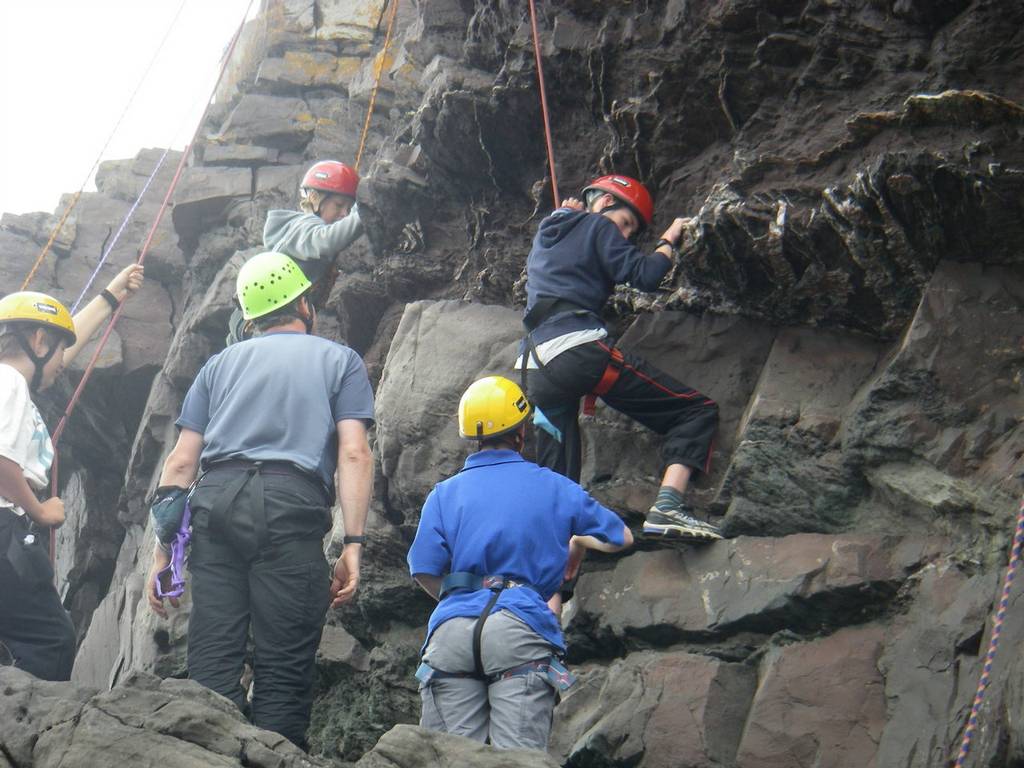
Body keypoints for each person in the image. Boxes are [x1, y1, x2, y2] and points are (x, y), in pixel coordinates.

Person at [147, 251, 374, 751]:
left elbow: (182, 463)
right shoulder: (339, 361)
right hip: (289, 503)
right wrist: (352, 544)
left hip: (217, 500)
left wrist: (165, 553)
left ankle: (206, 755)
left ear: (249, 317)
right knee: (284, 664)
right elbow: (354, 452)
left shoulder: (218, 365)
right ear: (305, 305)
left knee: (212, 652)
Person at [407, 376, 633, 750]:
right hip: (520, 629)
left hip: (452, 633)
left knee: (449, 757)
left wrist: (458, 602)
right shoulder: (553, 486)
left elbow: (424, 570)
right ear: (522, 431)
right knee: (517, 759)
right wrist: (576, 540)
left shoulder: (444, 493)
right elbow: (620, 537)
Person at [518, 174, 722, 543]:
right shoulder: (597, 224)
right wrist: (668, 240)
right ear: (605, 203)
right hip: (578, 354)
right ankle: (668, 506)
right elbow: (645, 275)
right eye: (625, 222)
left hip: (535, 369)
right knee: (696, 411)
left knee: (557, 478)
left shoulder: (546, 235)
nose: (625, 235)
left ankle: (542, 565)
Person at [0, 264, 145, 681]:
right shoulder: (10, 381)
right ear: (39, 340)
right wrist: (40, 510)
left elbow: (57, 352)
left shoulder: (11, 375)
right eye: (59, 348)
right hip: (5, 529)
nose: (66, 361)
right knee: (49, 639)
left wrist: (110, 298)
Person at [227, 160, 363, 344]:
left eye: (348, 208)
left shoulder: (301, 232)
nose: (344, 214)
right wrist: (364, 206)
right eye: (339, 205)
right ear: (314, 198)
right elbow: (328, 240)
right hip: (260, 324)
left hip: (261, 323)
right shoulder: (304, 226)